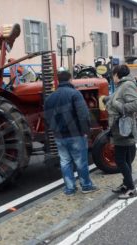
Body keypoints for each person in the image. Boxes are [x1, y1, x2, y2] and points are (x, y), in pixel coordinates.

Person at [44, 68, 98, 196]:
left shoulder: (50, 98)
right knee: (80, 162)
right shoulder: (75, 94)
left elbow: (47, 117)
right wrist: (86, 131)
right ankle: (86, 186)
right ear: (70, 79)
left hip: (59, 136)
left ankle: (70, 188)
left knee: (65, 162)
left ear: (58, 80)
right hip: (76, 134)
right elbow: (83, 114)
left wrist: (55, 130)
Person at [105, 64, 137, 199]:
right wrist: (109, 99)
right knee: (125, 159)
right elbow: (118, 98)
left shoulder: (127, 85)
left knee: (120, 160)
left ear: (117, 74)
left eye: (112, 75)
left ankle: (131, 189)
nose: (112, 77)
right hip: (119, 127)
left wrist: (117, 105)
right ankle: (126, 184)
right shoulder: (122, 85)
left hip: (123, 129)